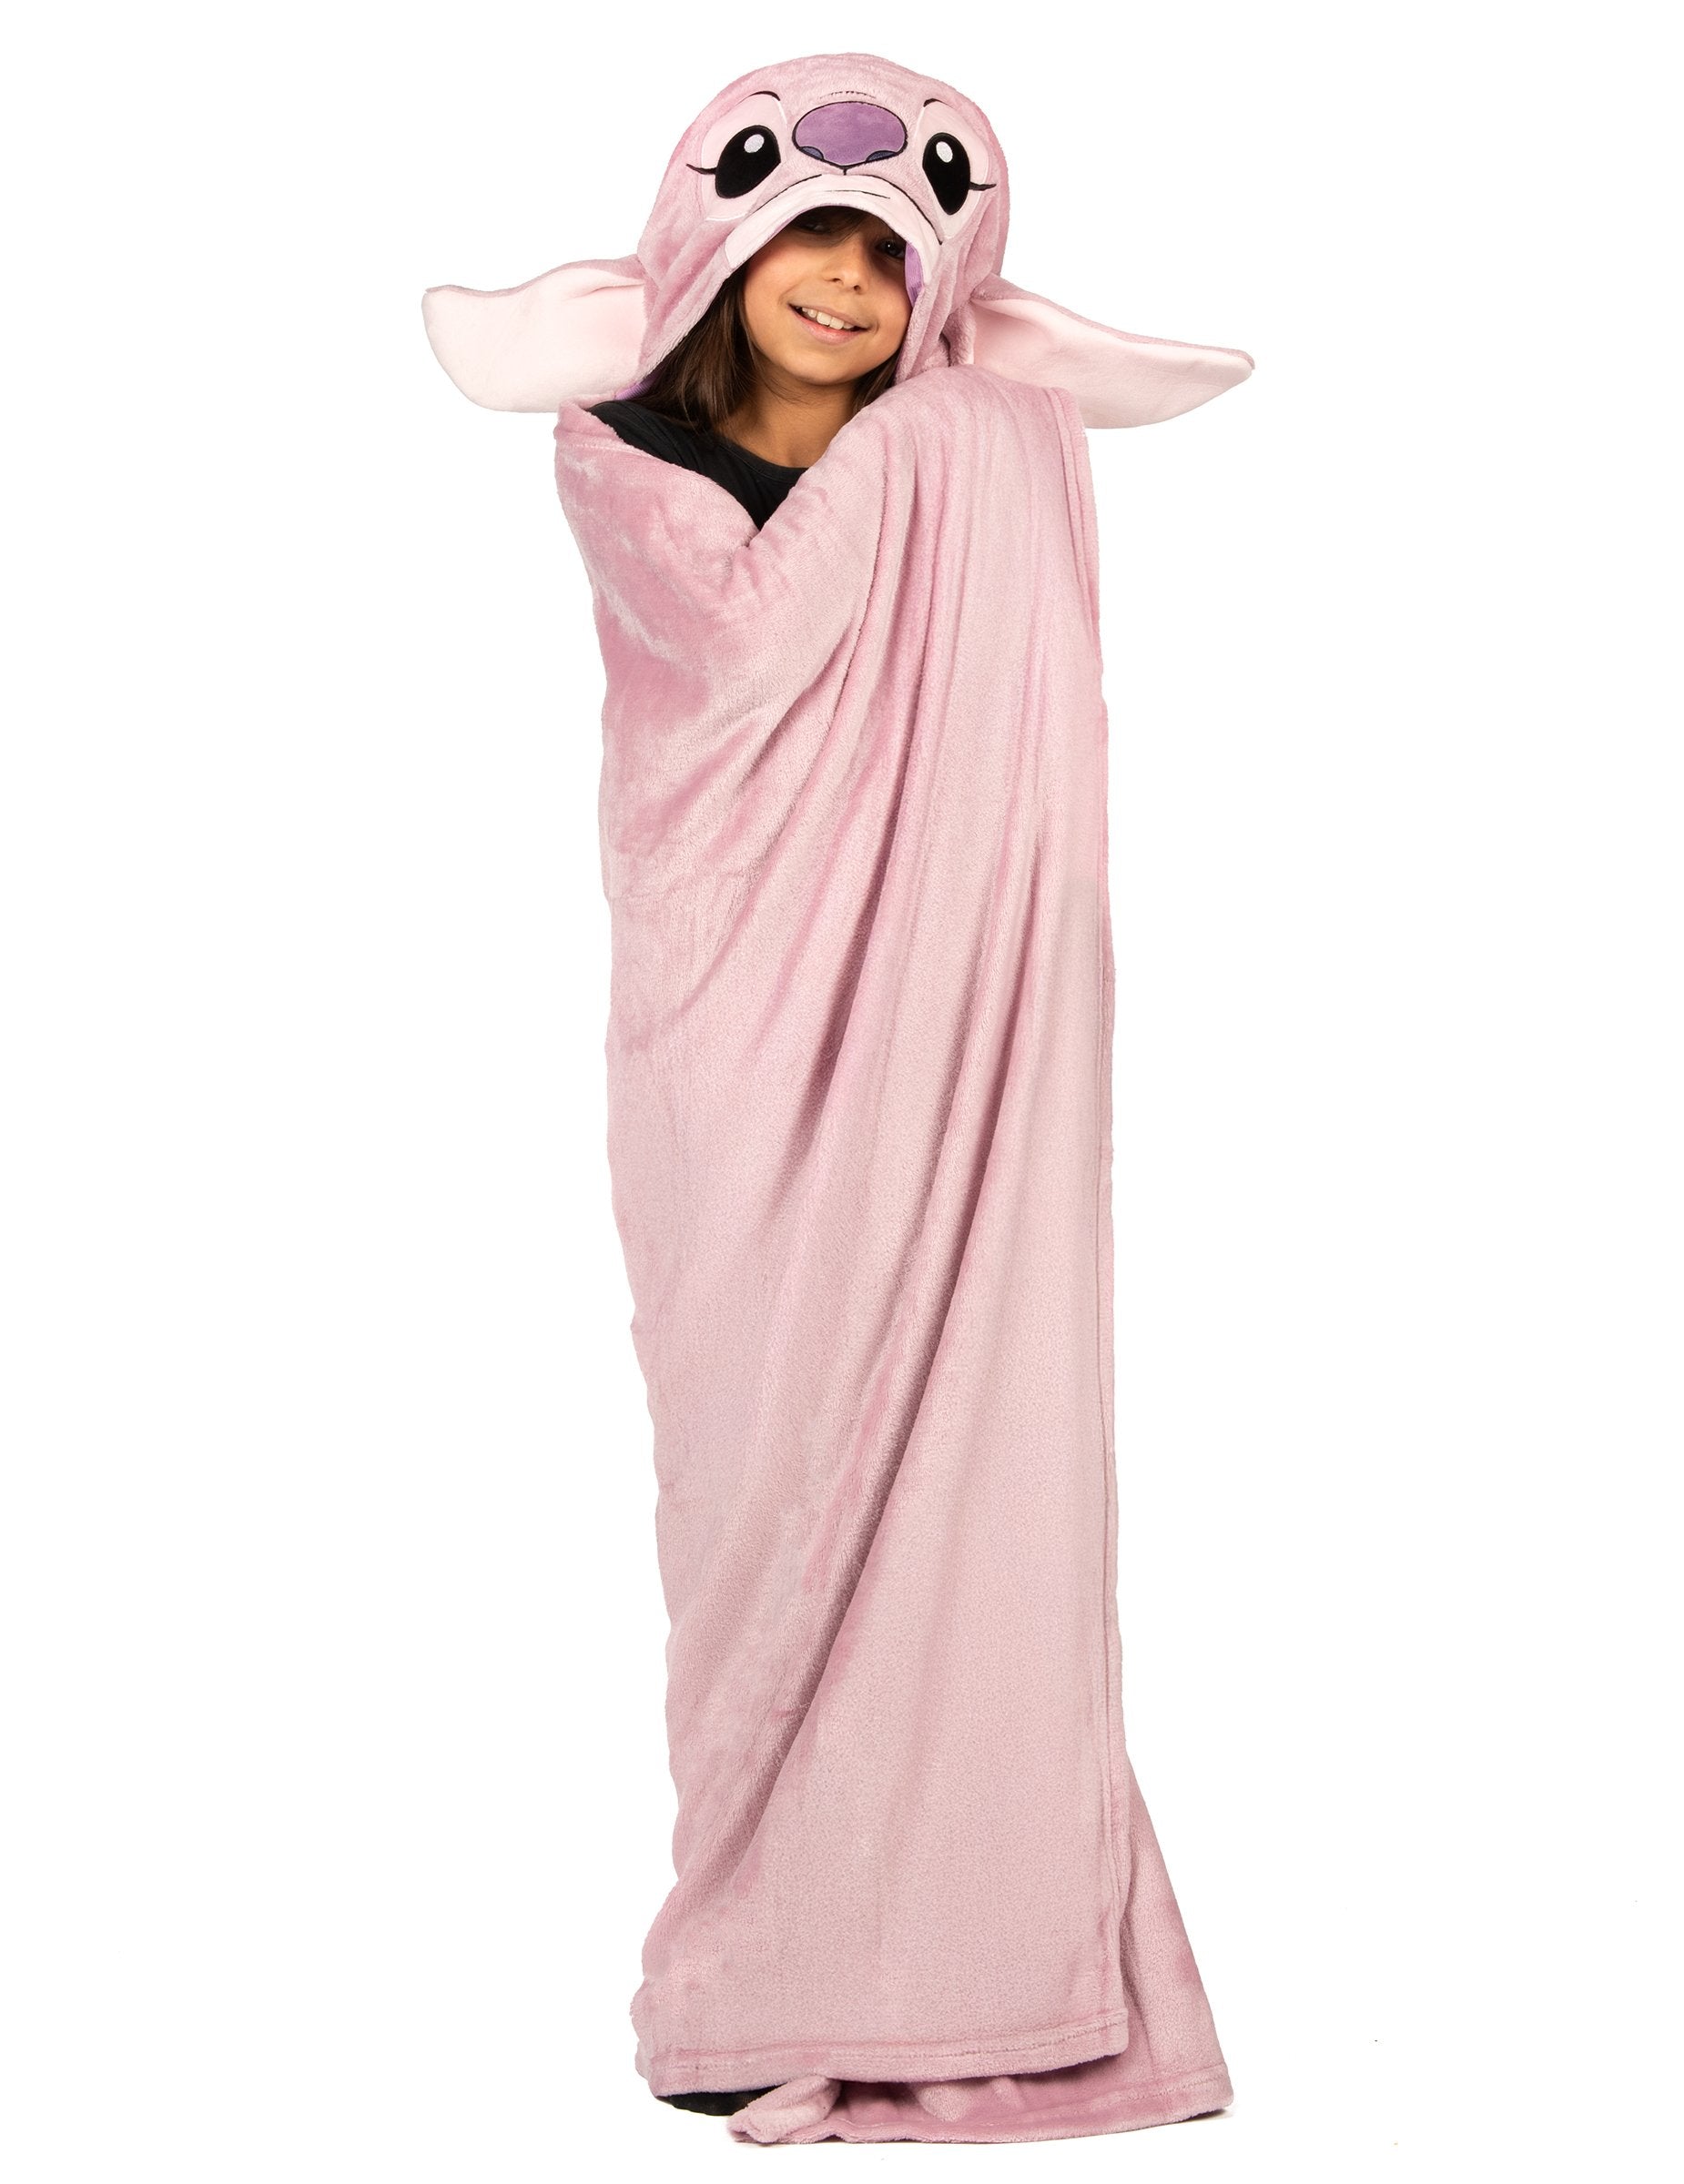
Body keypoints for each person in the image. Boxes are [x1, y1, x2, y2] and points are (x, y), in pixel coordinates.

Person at [423, 51, 1253, 2148]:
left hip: (950, 1020)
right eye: (803, 233)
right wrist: (943, 446)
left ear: (942, 290)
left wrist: (955, 432)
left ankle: (946, 1968)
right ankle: (770, 1943)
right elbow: (729, 656)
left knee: (979, 1460)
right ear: (714, 251)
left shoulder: (974, 447)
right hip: (721, 1031)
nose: (843, 282)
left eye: (887, 257)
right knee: (749, 1487)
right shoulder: (625, 454)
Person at [586, 205, 911, 528]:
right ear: (744, 244)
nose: (851, 273)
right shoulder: (628, 444)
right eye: (814, 226)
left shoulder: (927, 476)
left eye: (892, 248)